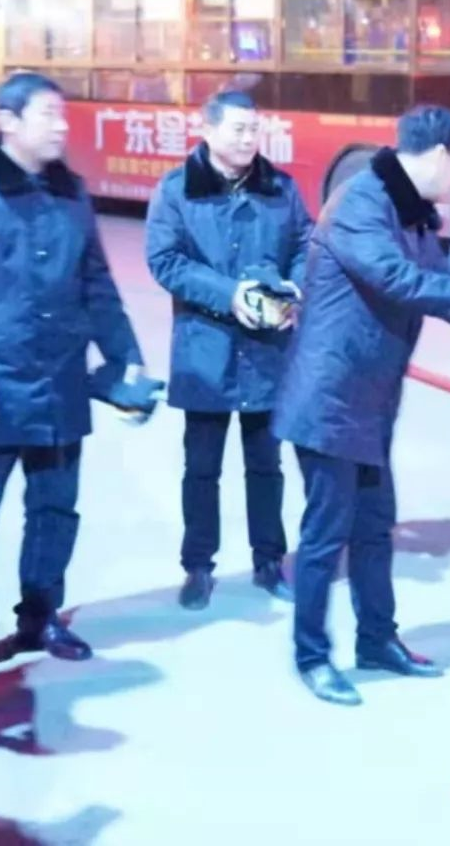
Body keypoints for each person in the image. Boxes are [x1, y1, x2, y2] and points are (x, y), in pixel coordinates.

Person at [273, 105, 450, 706]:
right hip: (328, 401)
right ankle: (312, 656)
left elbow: (447, 291)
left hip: (369, 403)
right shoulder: (361, 203)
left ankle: (377, 640)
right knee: (325, 537)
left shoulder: (410, 212)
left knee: (375, 529)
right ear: (440, 154)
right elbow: (403, 281)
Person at [0, 71, 144, 681]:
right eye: (47, 114)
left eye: (62, 115)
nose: (61, 126)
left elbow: (97, 284)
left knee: (55, 510)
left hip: (60, 382)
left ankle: (40, 617)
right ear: (7, 122)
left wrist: (125, 359)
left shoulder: (71, 192)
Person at [146, 89, 312, 610]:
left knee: (266, 465)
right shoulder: (177, 190)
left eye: (253, 129)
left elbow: (305, 244)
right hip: (206, 350)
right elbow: (165, 260)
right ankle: (198, 566)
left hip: (267, 349)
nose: (247, 138)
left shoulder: (280, 189)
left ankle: (269, 561)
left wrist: (294, 289)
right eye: (238, 129)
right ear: (208, 130)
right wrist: (228, 294)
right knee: (202, 468)